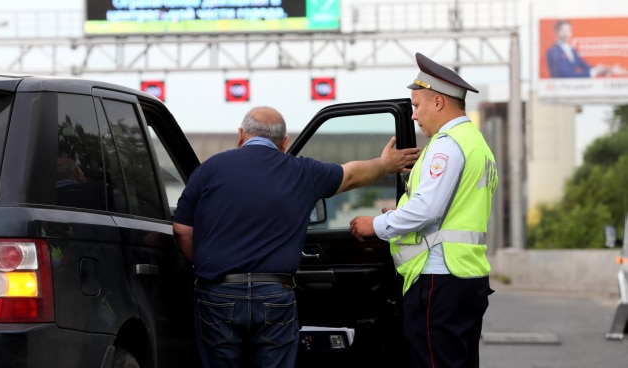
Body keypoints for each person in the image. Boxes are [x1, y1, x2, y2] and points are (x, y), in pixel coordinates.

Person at [172, 106, 420, 368]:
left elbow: (182, 229)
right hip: (275, 295)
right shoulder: (302, 172)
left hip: (218, 293)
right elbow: (350, 175)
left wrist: (204, 266)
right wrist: (385, 164)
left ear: (241, 134)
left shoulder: (210, 168)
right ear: (284, 142)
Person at [349, 53, 499, 368]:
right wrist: (400, 212)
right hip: (467, 275)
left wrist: (376, 225)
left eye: (417, 105)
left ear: (439, 102)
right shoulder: (475, 141)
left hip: (438, 277)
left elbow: (426, 210)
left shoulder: (446, 144)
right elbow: (449, 208)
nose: (414, 116)